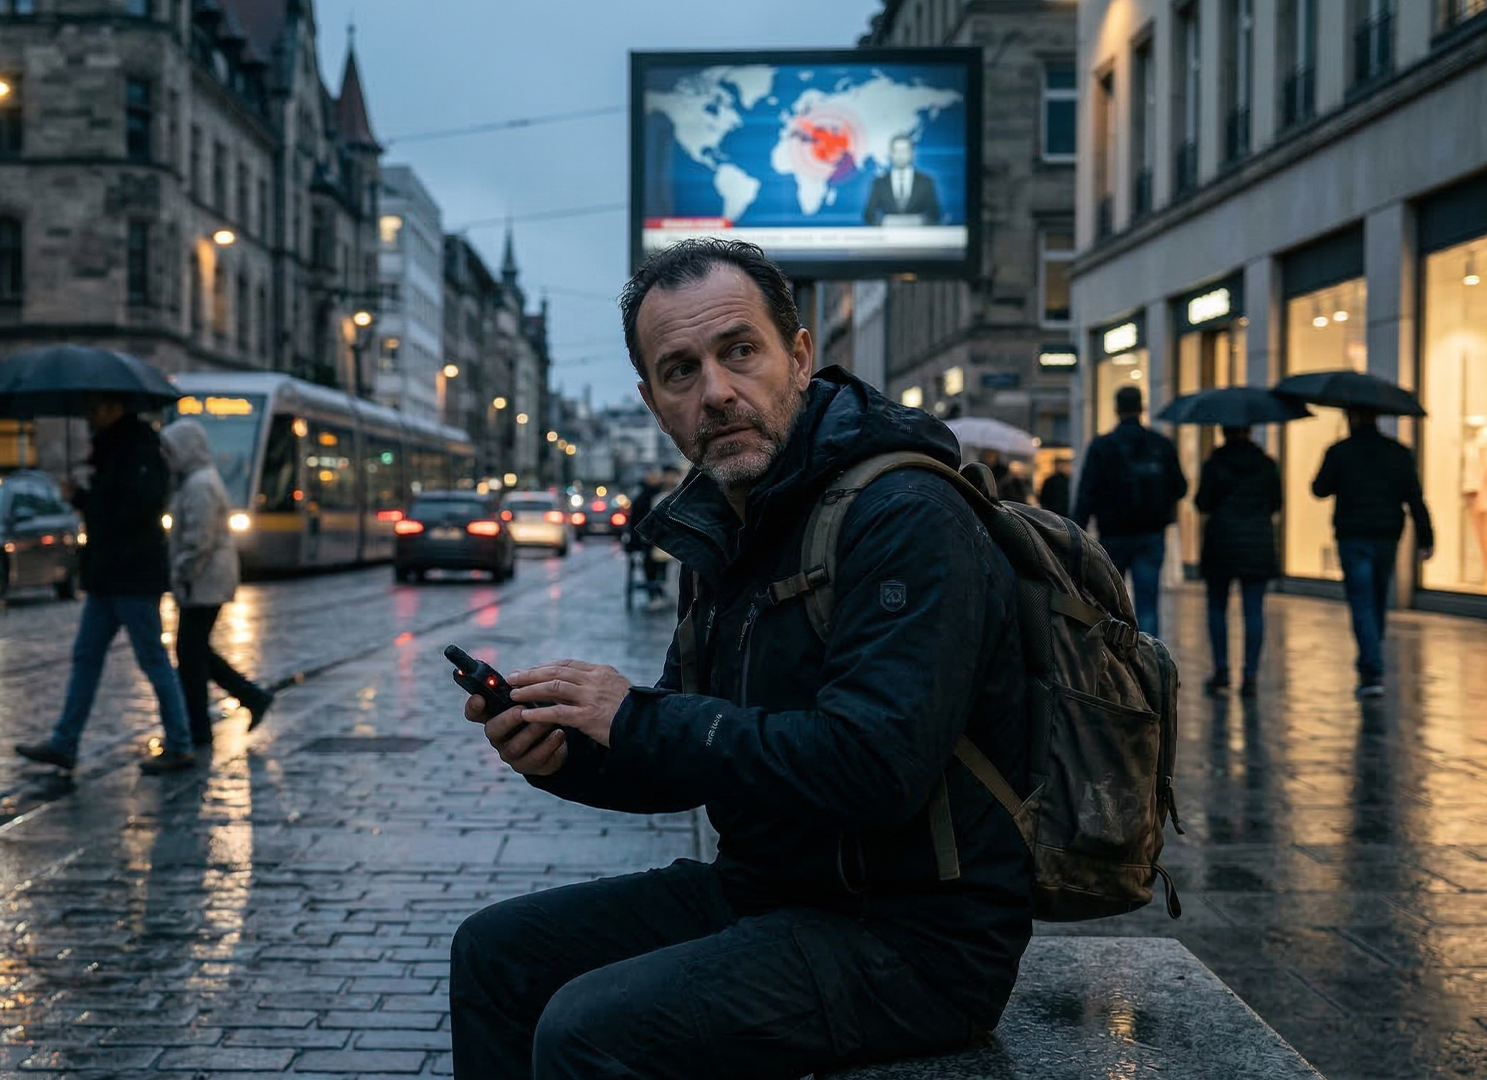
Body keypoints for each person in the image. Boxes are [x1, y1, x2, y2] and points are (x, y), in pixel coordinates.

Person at [449, 239, 1030, 1079]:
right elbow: (685, 759)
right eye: (680, 371)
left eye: (740, 351)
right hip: (768, 892)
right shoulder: (730, 523)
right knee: (494, 953)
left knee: (586, 1030)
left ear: (799, 356)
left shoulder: (906, 513)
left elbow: (876, 768)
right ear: (654, 403)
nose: (716, 392)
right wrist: (564, 754)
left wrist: (634, 716)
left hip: (915, 937)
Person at [17, 395, 197, 774]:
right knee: (86, 657)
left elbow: (131, 513)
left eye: (97, 408)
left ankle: (181, 743)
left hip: (132, 576)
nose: (90, 415)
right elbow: (114, 509)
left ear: (116, 408)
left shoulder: (138, 452)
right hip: (107, 575)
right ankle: (65, 742)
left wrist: (85, 498)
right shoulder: (112, 450)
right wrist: (84, 496)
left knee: (152, 660)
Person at [159, 420, 272, 751]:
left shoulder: (200, 485)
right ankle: (250, 698)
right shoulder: (193, 482)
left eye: (171, 450)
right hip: (203, 580)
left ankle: (201, 726)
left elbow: (199, 539)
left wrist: (182, 571)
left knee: (190, 653)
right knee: (195, 652)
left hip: (203, 581)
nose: (168, 457)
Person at [1310, 406, 1434, 698]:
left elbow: (1319, 489)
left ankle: (1371, 668)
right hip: (1386, 535)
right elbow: (1415, 497)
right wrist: (1426, 537)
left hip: (1353, 535)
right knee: (1376, 599)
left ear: (1351, 417)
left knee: (1362, 601)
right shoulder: (1397, 453)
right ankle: (1371, 660)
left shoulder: (1340, 451)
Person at [1072, 386, 1187, 636]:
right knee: (1148, 602)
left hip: (1113, 533)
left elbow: (1086, 493)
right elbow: (1180, 487)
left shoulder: (1102, 447)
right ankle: (1148, 653)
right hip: (1150, 533)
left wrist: (1075, 532)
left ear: (1117, 409)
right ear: (1141, 408)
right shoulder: (1160, 445)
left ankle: (1117, 653)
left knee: (1112, 602)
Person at [1194, 428, 1282, 697]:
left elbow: (1202, 503)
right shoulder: (1266, 464)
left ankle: (1221, 670)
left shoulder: (1214, 463)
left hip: (1221, 542)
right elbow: (1276, 503)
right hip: (1257, 543)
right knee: (1253, 611)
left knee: (1217, 608)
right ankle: (1250, 675)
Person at [862, 134, 943, 226]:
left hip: (918, 234)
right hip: (888, 234)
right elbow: (868, 215)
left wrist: (919, 221)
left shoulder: (926, 182)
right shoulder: (879, 183)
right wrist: (885, 222)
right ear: (891, 154)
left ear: (912, 153)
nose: (900, 155)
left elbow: (935, 215)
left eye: (904, 150)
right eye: (896, 151)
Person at [621, 468, 669, 606]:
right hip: (649, 540)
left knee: (653, 565)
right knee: (654, 565)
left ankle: (656, 592)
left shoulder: (645, 496)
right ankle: (655, 592)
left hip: (648, 539)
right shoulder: (648, 496)